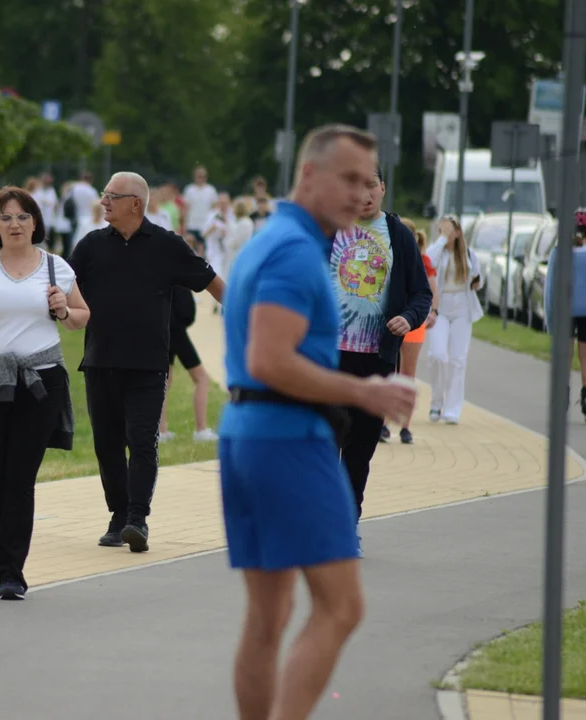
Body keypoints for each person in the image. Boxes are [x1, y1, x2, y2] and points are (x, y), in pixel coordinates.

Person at [220, 124, 417, 720]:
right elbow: (269, 359)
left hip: (249, 435)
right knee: (341, 607)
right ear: (308, 175)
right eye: (349, 178)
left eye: (369, 181)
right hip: (287, 437)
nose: (362, 193)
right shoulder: (295, 250)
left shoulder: (270, 237)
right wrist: (367, 391)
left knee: (270, 616)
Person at [69, 172, 226, 553]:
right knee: (107, 445)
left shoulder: (167, 245)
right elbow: (63, 287)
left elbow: (212, 283)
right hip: (99, 361)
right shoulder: (90, 246)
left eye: (111, 196)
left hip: (148, 366)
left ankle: (137, 518)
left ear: (135, 204)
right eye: (103, 195)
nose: (103, 202)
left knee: (142, 442)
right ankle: (118, 515)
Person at [0, 187, 90, 600]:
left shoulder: (56, 268)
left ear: (35, 224)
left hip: (38, 381)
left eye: (23, 217)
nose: (14, 224)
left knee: (19, 477)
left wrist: (63, 308)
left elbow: (81, 316)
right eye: (5, 217)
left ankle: (12, 570)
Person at [331, 166, 431, 533]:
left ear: (383, 188)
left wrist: (408, 317)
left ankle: (346, 525)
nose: (364, 194)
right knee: (325, 444)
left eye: (371, 185)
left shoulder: (399, 236)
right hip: (329, 358)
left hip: (376, 359)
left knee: (359, 450)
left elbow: (421, 294)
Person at [543, 206, 586, 423]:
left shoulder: (558, 253)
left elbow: (550, 288)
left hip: (565, 312)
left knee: (565, 355)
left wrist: (550, 318)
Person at [426, 215, 484, 424]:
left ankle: (452, 409)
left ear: (458, 233)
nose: (447, 235)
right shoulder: (437, 251)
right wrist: (442, 239)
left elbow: (478, 276)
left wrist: (478, 282)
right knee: (438, 355)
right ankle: (436, 402)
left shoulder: (468, 254)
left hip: (462, 307)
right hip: (439, 306)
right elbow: (427, 262)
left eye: (450, 231)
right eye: (443, 230)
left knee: (458, 360)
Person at [389, 217, 438, 444]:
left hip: (413, 323)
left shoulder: (423, 260)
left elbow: (431, 289)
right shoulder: (387, 256)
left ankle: (405, 426)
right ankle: (383, 423)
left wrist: (432, 312)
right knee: (389, 373)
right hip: (390, 321)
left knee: (407, 374)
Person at [158, 283, 218, 444]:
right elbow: (184, 308)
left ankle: (161, 430)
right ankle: (201, 429)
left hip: (168, 327)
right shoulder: (177, 267)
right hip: (176, 330)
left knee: (166, 379)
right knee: (201, 378)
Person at [181, 164, 219, 255]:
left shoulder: (211, 190)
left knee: (204, 253)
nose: (201, 178)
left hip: (205, 227)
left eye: (203, 176)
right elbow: (185, 209)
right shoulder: (189, 190)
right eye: (199, 176)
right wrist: (184, 225)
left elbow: (215, 210)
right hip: (192, 225)